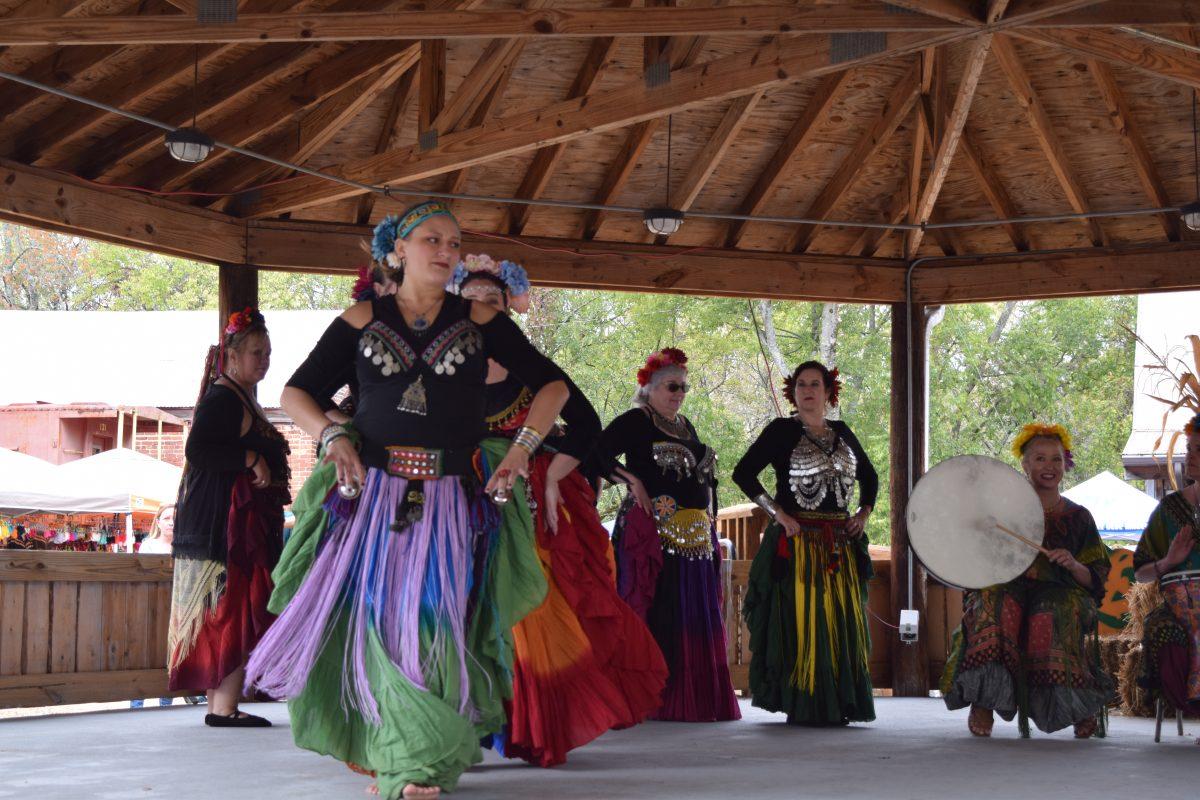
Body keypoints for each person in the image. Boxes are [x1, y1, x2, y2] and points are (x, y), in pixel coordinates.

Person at [243, 201, 572, 799]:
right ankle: (402, 759)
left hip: (451, 501)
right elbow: (296, 393)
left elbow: (553, 385)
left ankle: (415, 763)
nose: (445, 250)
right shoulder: (362, 319)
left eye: (453, 241)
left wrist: (522, 451)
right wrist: (333, 434)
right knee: (375, 625)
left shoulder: (480, 320)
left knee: (433, 625)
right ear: (398, 250)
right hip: (373, 500)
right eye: (431, 240)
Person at [453, 254, 667, 767]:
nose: (482, 311)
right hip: (457, 499)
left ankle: (530, 723)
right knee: (458, 609)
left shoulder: (532, 369)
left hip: (525, 502)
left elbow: (588, 422)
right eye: (472, 304)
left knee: (530, 613)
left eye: (493, 304)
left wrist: (551, 474)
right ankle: (456, 728)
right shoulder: (445, 366)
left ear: (508, 312)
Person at [594, 348, 740, 723]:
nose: (679, 393)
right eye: (672, 386)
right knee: (656, 610)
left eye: (684, 388)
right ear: (649, 388)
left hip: (693, 537)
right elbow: (595, 453)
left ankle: (686, 699)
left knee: (687, 616)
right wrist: (631, 480)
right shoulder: (636, 421)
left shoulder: (684, 425)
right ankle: (649, 698)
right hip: (653, 534)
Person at [941, 423, 1113, 738]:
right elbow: (977, 562)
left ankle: (1076, 705)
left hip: (1061, 592)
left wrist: (1073, 564)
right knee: (995, 602)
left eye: (1056, 459)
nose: (1049, 466)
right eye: (1040, 459)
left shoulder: (1080, 517)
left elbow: (1095, 580)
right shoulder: (1001, 515)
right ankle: (984, 699)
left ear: (1066, 464)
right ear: (1024, 464)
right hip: (1009, 587)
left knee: (1050, 611)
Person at [733, 360, 878, 726]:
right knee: (806, 620)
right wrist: (778, 514)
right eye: (801, 385)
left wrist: (862, 514)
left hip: (839, 544)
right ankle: (805, 701)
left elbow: (870, 476)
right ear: (792, 392)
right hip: (798, 544)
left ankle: (840, 702)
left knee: (840, 621)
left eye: (815, 384)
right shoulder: (782, 430)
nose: (808, 391)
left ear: (829, 392)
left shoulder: (842, 431)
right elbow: (743, 472)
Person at [169, 309, 290, 727]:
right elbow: (198, 450)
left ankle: (221, 705)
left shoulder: (239, 397)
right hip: (228, 527)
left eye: (269, 353)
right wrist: (250, 455)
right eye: (256, 352)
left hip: (235, 525)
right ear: (233, 356)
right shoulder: (224, 398)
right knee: (235, 608)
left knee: (232, 608)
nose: (264, 360)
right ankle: (222, 708)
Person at [1132, 413, 1200, 716]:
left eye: (1199, 450)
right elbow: (1141, 572)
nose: (1190, 456)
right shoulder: (1169, 509)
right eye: (1189, 448)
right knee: (1161, 630)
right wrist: (1168, 561)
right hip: (1177, 602)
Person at [132, 505, 177, 708]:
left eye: (175, 518)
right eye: (166, 517)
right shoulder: (148, 545)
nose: (171, 521)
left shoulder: (184, 546)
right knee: (144, 653)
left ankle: (166, 702)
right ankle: (136, 704)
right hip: (150, 607)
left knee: (171, 654)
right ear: (158, 522)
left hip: (177, 608)